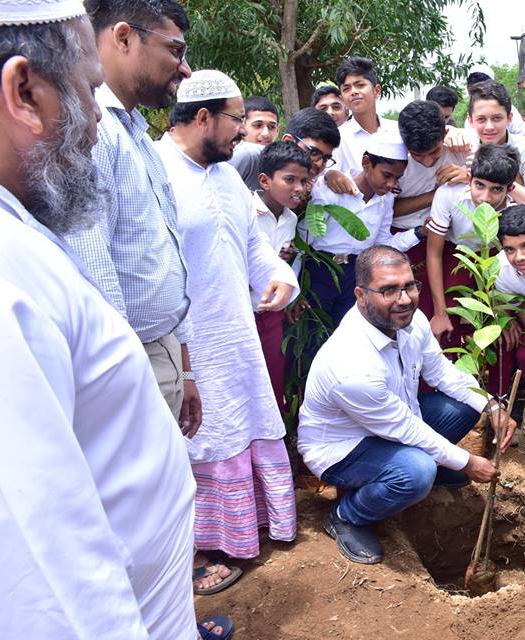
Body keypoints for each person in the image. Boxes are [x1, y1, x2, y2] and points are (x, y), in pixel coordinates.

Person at [0, 2, 230, 638]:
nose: (95, 119)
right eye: (88, 91)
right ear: (23, 92)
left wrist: (181, 362)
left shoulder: (11, 219)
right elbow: (46, 573)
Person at [68, 0, 240, 594]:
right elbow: (96, 271)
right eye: (175, 50)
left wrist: (184, 366)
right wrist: (127, 382)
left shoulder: (135, 133)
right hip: (129, 357)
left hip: (159, 349)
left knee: (161, 499)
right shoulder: (93, 133)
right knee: (136, 509)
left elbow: (162, 258)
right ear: (123, 37)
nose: (185, 69)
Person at [157, 70, 301, 567]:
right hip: (186, 341)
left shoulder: (226, 178)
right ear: (203, 117)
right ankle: (202, 548)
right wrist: (183, 360)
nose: (243, 131)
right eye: (237, 120)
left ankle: (248, 527)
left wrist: (279, 275)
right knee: (201, 433)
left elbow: (252, 245)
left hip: (235, 331)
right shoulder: (155, 171)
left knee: (243, 422)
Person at [298, 245, 516, 564]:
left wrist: (492, 407)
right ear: (361, 295)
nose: (404, 299)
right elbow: (405, 428)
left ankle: (423, 469)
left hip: (394, 422)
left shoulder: (410, 321)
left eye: (409, 286)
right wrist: (467, 462)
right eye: (388, 290)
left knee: (466, 405)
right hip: (344, 449)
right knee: (417, 471)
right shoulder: (350, 363)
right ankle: (346, 515)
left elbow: (441, 372)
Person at [298, 130, 423, 331]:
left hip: (355, 274)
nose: (391, 184)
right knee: (314, 329)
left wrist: (418, 233)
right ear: (366, 162)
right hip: (320, 268)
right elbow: (305, 237)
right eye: (386, 175)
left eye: (397, 178)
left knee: (349, 330)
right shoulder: (332, 189)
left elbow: (382, 244)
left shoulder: (386, 200)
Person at [426, 144, 519, 343]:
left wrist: (503, 311)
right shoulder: (449, 194)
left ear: (510, 189)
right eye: (479, 185)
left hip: (495, 258)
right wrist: (440, 312)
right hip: (456, 254)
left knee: (502, 329)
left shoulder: (514, 210)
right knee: (446, 321)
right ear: (469, 179)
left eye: (496, 189)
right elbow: (434, 254)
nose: (485, 198)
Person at [253, 141, 313, 413]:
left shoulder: (290, 219)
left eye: (303, 181)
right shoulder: (247, 212)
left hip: (271, 313)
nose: (299, 188)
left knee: (272, 377)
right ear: (265, 181)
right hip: (245, 310)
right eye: (290, 180)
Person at [393, 99, 469, 301]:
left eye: (435, 152)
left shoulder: (462, 148)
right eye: (417, 155)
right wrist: (435, 196)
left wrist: (469, 176)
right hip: (406, 240)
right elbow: (387, 210)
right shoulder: (394, 159)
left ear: (445, 133)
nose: (428, 161)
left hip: (451, 242)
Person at [464, 81, 525, 220]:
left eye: (497, 118)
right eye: (481, 119)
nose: (489, 127)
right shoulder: (462, 146)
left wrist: (503, 180)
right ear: (470, 121)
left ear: (509, 118)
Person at [229, 106, 341, 190]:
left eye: (326, 158)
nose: (319, 164)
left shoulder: (309, 184)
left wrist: (330, 175)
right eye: (314, 152)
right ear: (288, 141)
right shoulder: (250, 156)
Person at [333, 56, 399, 177]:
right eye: (346, 89)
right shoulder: (338, 138)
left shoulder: (397, 130)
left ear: (377, 91)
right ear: (342, 99)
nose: (353, 91)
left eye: (360, 85)